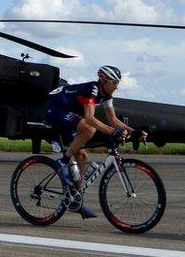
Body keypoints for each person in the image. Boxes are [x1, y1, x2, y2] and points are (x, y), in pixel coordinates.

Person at [44, 65, 146, 219]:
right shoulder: (92, 89)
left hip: (70, 114)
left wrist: (133, 131)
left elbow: (113, 119)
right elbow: (90, 118)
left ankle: (76, 198)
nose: (117, 87)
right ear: (103, 80)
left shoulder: (106, 95)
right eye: (114, 83)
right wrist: (113, 132)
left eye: (118, 83)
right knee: (90, 129)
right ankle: (63, 162)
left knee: (83, 156)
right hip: (55, 110)